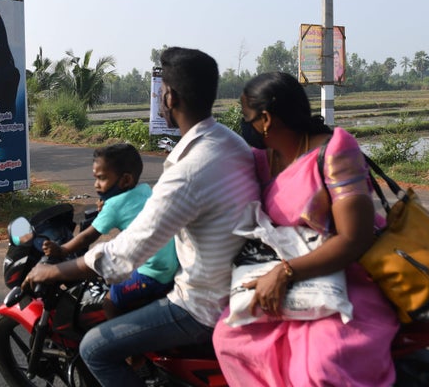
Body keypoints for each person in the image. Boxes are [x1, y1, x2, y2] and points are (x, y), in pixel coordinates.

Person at [23, 47, 260, 386]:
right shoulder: (230, 142)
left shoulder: (188, 169)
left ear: (169, 96)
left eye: (161, 90)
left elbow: (127, 252)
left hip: (202, 304)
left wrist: (55, 269)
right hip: (232, 280)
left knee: (95, 348)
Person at [213, 72, 399, 386]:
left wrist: (285, 273)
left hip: (341, 274)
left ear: (266, 119)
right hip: (283, 271)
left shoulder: (336, 151)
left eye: (247, 118)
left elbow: (356, 237)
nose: (244, 126)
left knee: (318, 369)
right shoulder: (263, 158)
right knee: (229, 338)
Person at [42, 143, 178, 318]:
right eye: (95, 178)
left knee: (109, 301)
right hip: (170, 264)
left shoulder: (113, 206)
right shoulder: (144, 190)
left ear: (126, 180)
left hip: (153, 273)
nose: (96, 185)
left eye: (102, 178)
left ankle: (118, 339)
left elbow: (87, 237)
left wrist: (62, 250)